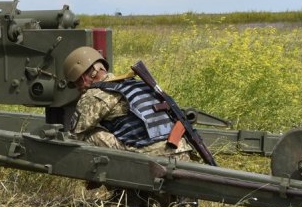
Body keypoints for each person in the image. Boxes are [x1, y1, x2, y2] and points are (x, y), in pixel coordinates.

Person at [63, 46, 201, 159]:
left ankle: (116, 186)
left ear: (82, 78)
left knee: (88, 136)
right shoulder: (135, 83)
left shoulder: (94, 95)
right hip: (181, 150)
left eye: (76, 84)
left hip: (151, 157)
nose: (78, 89)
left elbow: (75, 135)